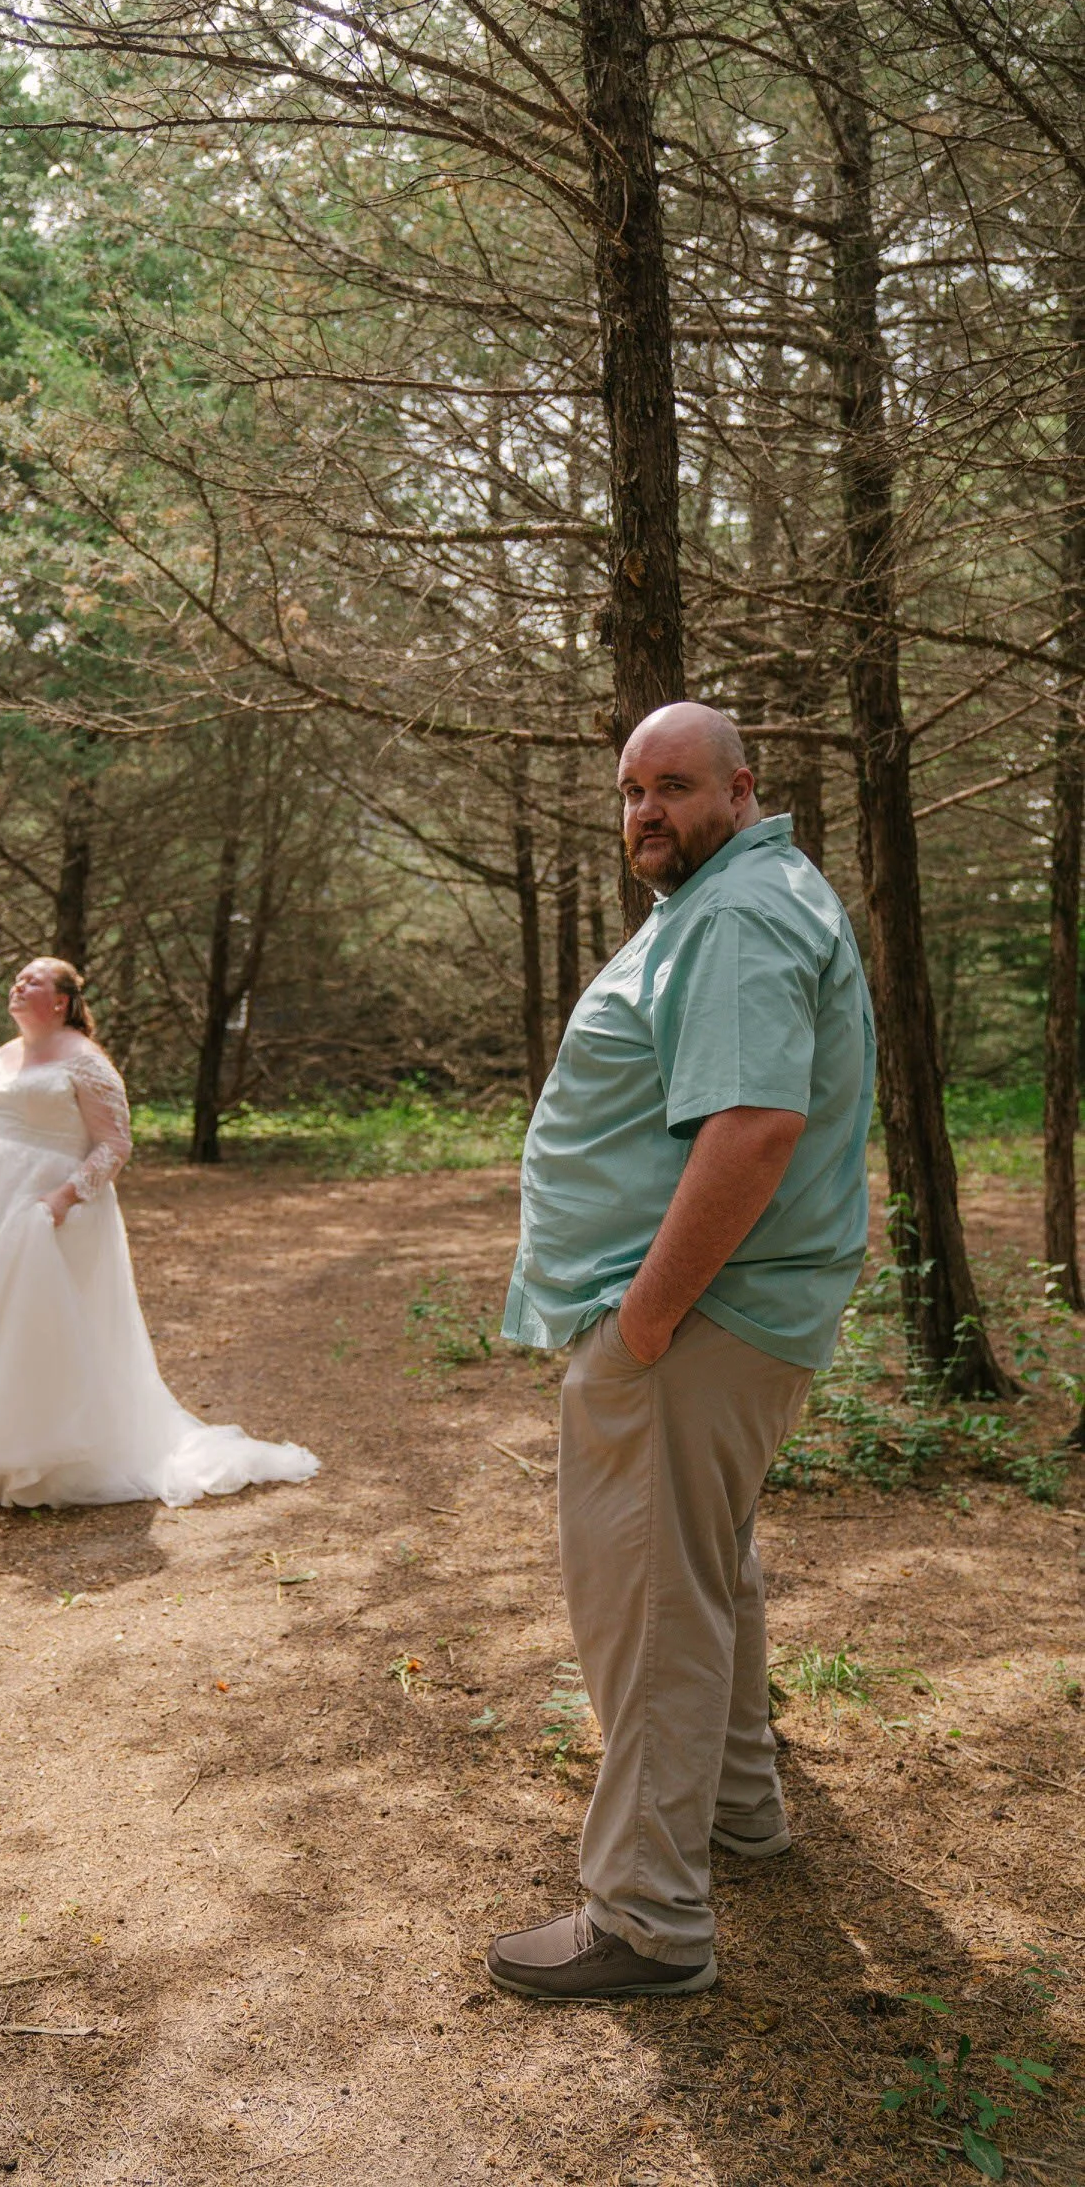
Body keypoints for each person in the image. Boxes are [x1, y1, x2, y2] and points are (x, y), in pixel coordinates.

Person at [487, 703, 875, 2003]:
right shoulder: (738, 895)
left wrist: (645, 1319)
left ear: (741, 789)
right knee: (706, 1569)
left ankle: (649, 1918)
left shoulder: (739, 914)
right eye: (630, 790)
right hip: (729, 1316)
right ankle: (740, 1809)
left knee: (651, 1600)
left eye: (675, 786)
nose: (646, 810)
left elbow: (755, 1125)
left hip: (698, 1320)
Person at [0, 957, 320, 1511]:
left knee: (23, 1325)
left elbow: (115, 1144)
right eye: (17, 978)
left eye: (33, 981)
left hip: (35, 1211)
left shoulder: (86, 1061)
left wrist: (61, 1200)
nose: (19, 985)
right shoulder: (4, 1054)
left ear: (61, 1001)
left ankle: (21, 1458)